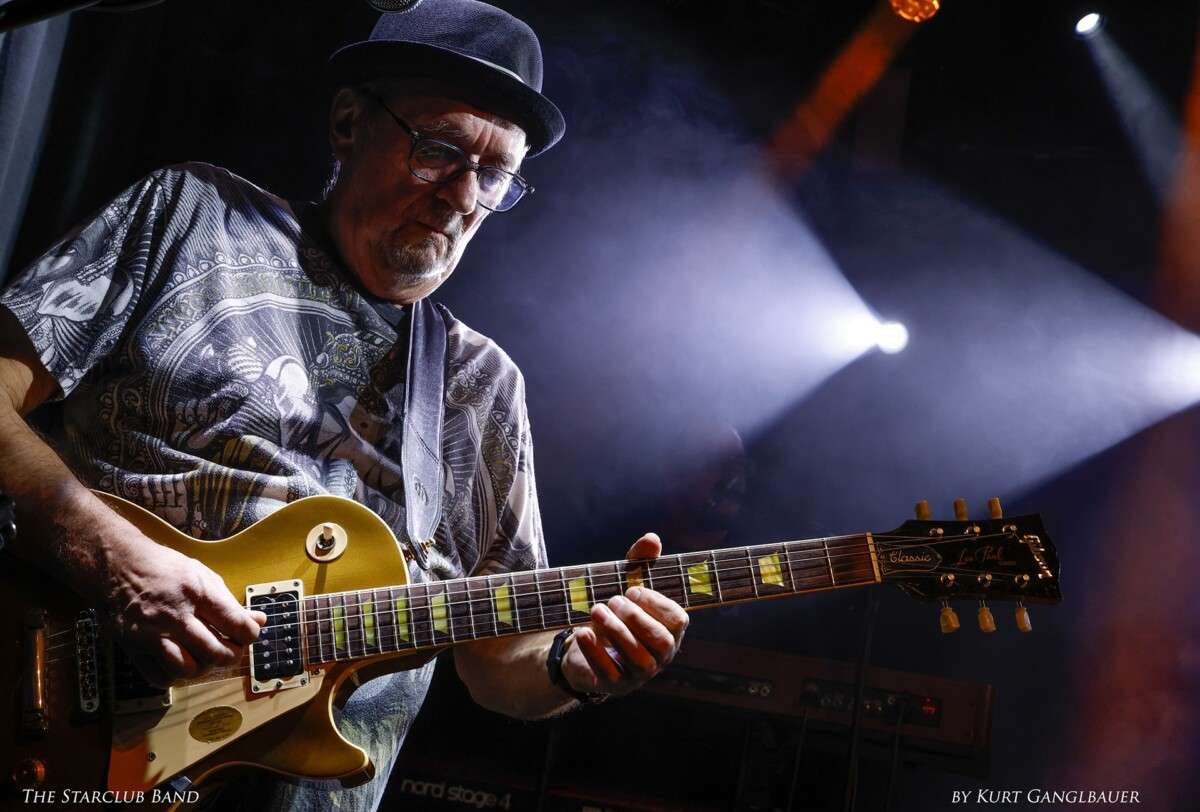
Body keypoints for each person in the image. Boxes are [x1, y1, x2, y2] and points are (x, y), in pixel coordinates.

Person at [0, 1, 688, 808]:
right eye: (440, 150)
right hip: (52, 728)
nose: (463, 195)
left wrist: (575, 668)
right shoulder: (195, 216)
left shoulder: (481, 386)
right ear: (348, 123)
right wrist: (111, 558)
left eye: (495, 173)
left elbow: (500, 664)